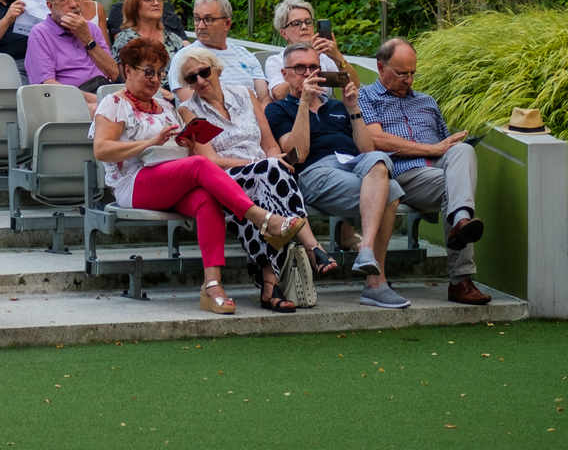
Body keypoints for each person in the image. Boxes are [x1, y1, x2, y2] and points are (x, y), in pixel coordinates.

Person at [93, 34, 301, 316]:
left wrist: (186, 143)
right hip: (134, 181)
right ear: (127, 70)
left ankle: (212, 286)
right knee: (201, 165)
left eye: (159, 73)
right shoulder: (114, 103)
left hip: (167, 177)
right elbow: (102, 150)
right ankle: (263, 219)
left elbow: (175, 150)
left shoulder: (166, 107)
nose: (155, 79)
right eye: (148, 72)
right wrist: (149, 143)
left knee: (206, 198)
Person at [174, 45, 338, 312]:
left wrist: (272, 161)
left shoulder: (245, 94)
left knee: (267, 193)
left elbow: (270, 144)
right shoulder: (188, 110)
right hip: (224, 180)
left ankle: (270, 285)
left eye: (204, 72)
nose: (200, 81)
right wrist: (261, 164)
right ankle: (312, 246)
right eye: (192, 78)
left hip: (265, 176)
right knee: (270, 171)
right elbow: (210, 161)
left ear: (217, 70)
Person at [265, 42, 409, 309]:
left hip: (355, 164)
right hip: (315, 172)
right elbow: (299, 154)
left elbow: (367, 150)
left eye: (314, 67)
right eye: (300, 68)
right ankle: (376, 282)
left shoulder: (336, 106)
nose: (308, 73)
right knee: (391, 192)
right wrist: (304, 103)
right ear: (285, 74)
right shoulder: (278, 109)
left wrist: (353, 107)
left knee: (379, 160)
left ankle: (366, 250)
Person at [359, 36, 491, 306]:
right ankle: (461, 281)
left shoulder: (427, 101)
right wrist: (431, 149)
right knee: (456, 187)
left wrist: (453, 144)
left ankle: (460, 221)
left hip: (438, 172)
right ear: (381, 67)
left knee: (463, 151)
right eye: (401, 74)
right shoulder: (366, 96)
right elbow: (375, 140)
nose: (408, 80)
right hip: (403, 174)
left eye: (412, 73)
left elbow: (446, 146)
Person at [24, 0, 119, 102]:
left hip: (102, 91)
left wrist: (88, 39)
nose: (74, 4)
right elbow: (48, 87)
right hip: (67, 102)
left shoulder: (91, 29)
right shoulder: (40, 34)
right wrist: (97, 100)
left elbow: (114, 73)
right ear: (50, 6)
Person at [168, 0, 269, 99]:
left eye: (208, 19)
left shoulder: (244, 54)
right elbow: (191, 103)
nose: (200, 26)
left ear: (227, 24)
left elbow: (264, 98)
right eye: (197, 19)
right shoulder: (185, 58)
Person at [263, 0, 342, 98]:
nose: (304, 27)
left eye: (308, 22)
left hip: (324, 107)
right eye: (296, 23)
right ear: (284, 33)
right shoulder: (276, 61)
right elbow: (279, 94)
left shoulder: (324, 58)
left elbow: (351, 84)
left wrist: (338, 57)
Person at [112, 0, 186, 63]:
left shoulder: (174, 40)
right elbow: (120, 71)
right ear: (134, 5)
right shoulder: (125, 40)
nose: (156, 3)